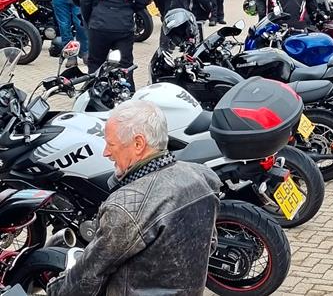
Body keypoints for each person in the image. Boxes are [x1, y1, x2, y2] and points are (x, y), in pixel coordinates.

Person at [47, 100, 220, 296]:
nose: (106, 152)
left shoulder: (126, 207)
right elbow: (209, 244)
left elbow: (89, 275)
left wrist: (54, 290)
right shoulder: (203, 176)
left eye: (111, 144)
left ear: (138, 144)